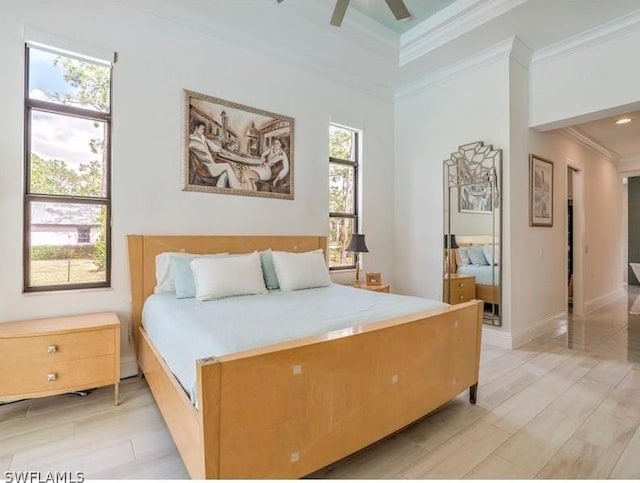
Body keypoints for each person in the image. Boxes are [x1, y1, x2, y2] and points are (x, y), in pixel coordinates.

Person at [189, 121, 241, 189]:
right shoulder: (191, 141)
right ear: (196, 128)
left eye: (204, 129)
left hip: (211, 164)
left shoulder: (203, 138)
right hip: (205, 167)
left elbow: (213, 146)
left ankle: (220, 187)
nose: (203, 131)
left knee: (226, 169)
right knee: (227, 166)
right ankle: (236, 188)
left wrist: (224, 151)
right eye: (202, 129)